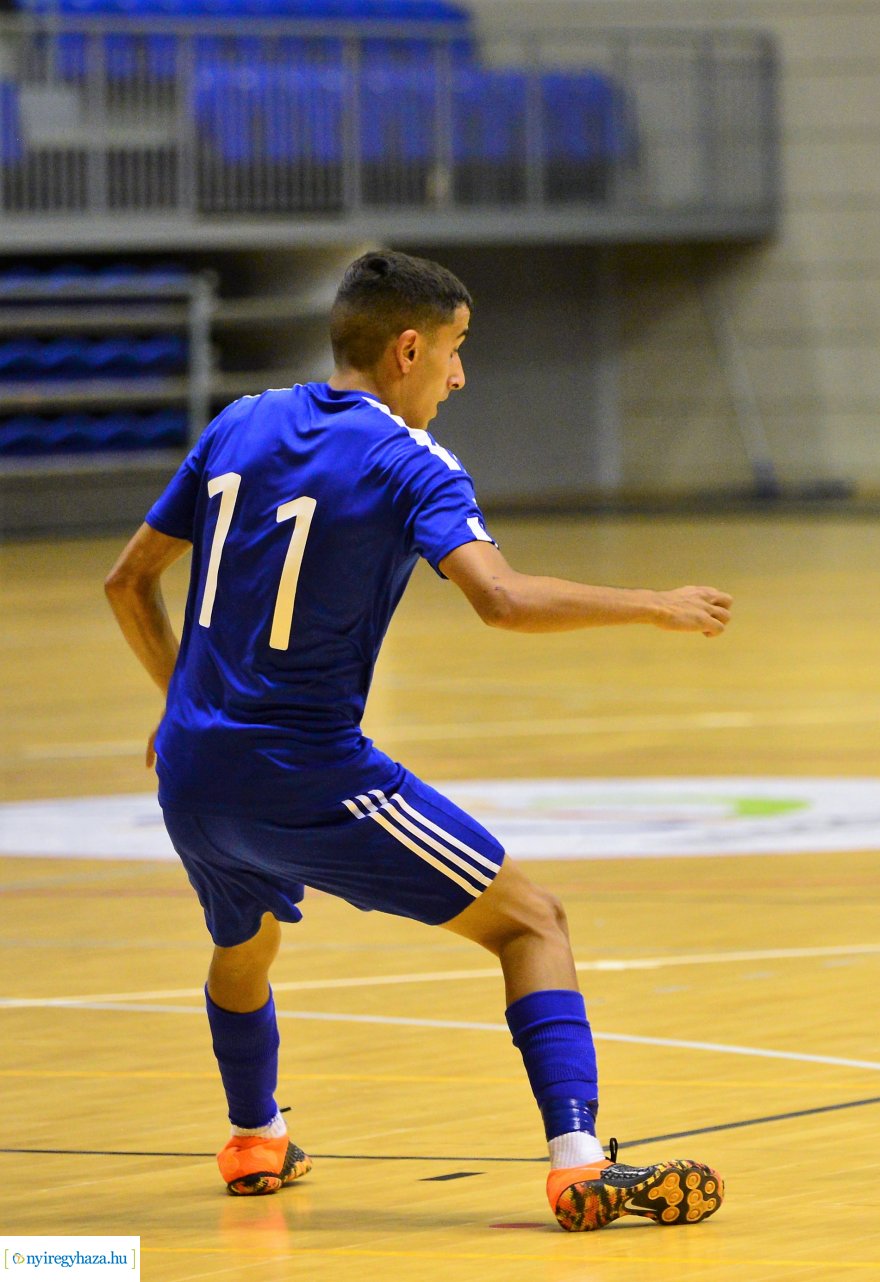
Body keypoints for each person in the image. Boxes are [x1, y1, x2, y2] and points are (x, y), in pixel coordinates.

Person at [103, 250, 733, 1230]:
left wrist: (181, 701)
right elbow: (503, 599)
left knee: (245, 945)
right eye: (456, 350)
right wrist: (653, 602)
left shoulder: (239, 422)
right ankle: (578, 1163)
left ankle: (254, 1137)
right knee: (533, 922)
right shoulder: (409, 460)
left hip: (192, 772)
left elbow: (126, 580)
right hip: (306, 771)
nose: (460, 375)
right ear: (407, 349)